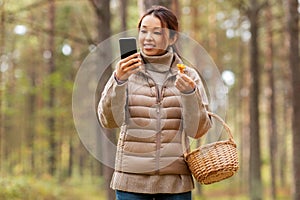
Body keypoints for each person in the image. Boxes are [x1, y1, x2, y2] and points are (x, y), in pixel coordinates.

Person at [98, 5, 212, 200]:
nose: (147, 38)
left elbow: (198, 131)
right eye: (143, 31)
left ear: (173, 37)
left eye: (156, 32)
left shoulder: (189, 76)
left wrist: (189, 94)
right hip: (130, 182)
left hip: (175, 184)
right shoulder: (125, 71)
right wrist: (119, 81)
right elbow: (108, 121)